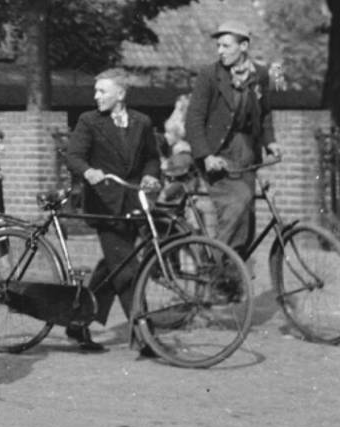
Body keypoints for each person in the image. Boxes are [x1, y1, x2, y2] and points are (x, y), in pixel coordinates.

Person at [64, 68, 161, 354]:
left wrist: (150, 175)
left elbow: (152, 158)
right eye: (96, 91)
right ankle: (144, 334)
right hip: (104, 205)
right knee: (126, 268)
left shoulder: (142, 122)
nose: (96, 96)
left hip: (132, 205)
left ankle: (77, 321)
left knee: (113, 267)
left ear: (120, 93)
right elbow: (73, 156)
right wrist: (88, 172)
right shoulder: (89, 121)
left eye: (102, 91)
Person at [185, 22, 279, 260]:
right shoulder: (210, 74)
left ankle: (235, 271)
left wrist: (270, 142)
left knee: (246, 216)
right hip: (217, 152)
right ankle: (219, 267)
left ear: (244, 46)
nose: (220, 51)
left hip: (246, 152)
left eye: (226, 46)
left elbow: (265, 113)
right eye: (218, 46)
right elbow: (194, 118)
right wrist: (206, 156)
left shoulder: (260, 74)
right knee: (236, 205)